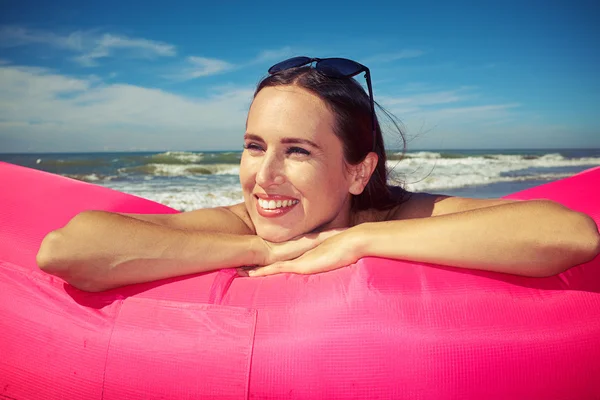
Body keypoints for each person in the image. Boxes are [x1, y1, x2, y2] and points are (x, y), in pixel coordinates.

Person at [36, 57, 600, 292]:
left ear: (359, 171)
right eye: (255, 146)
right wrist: (261, 253)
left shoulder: (397, 213)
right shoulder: (241, 227)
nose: (265, 176)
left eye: (298, 151)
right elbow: (67, 250)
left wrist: (359, 239)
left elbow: (567, 235)